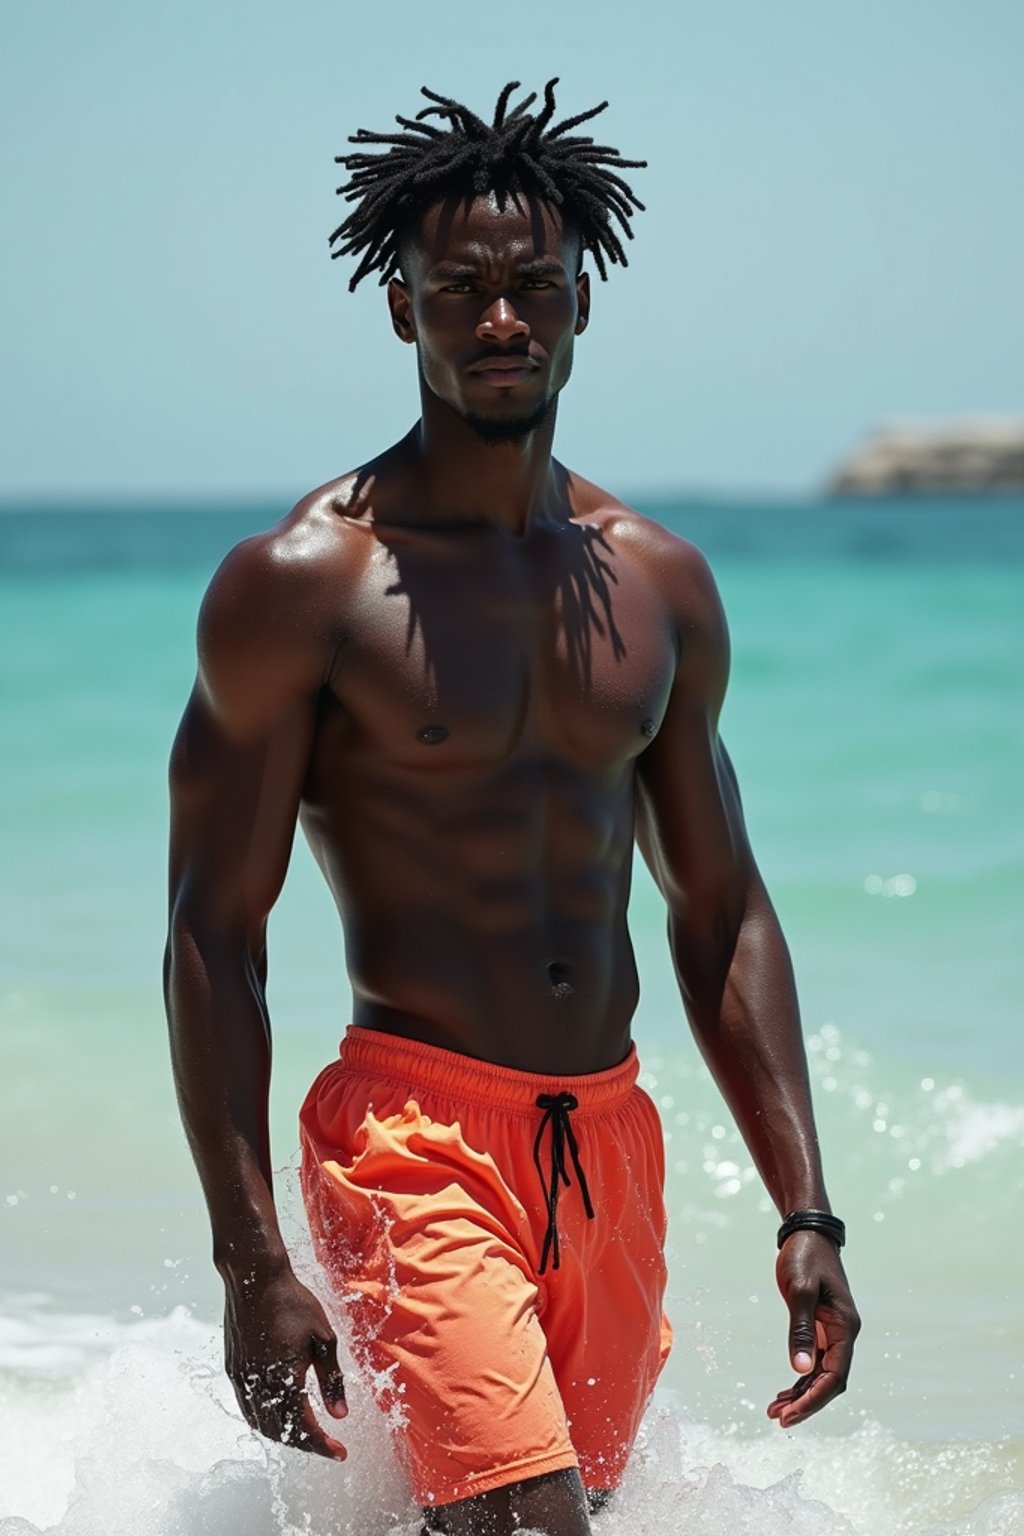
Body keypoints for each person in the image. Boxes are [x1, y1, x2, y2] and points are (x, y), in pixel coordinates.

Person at [164, 80, 860, 1536]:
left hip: (606, 1143)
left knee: (566, 1509)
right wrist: (251, 1258)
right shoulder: (308, 584)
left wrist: (806, 1212)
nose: (500, 323)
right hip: (411, 1137)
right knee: (525, 1520)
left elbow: (717, 906)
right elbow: (212, 934)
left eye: (532, 288)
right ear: (400, 307)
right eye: (460, 291)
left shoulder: (658, 583)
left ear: (582, 302)